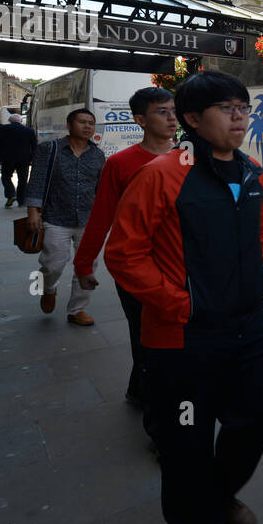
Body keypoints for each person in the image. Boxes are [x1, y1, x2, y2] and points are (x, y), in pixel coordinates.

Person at [104, 69, 263, 524]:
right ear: (191, 120)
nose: (240, 117)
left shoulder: (252, 171)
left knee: (259, 414)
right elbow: (124, 252)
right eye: (227, 109)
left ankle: (219, 494)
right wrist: (178, 302)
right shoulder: (162, 174)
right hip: (183, 338)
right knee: (185, 441)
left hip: (251, 327)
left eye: (243, 108)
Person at [72, 87, 178, 413]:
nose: (172, 117)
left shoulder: (191, 157)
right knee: (144, 339)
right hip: (137, 270)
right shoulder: (120, 163)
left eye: (174, 110)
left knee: (173, 344)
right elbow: (101, 217)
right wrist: (84, 265)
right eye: (162, 111)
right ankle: (154, 412)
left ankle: (140, 390)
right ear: (140, 120)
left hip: (180, 268)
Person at [25, 109, 106, 326]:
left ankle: (77, 310)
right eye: (82, 122)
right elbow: (37, 181)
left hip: (88, 220)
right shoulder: (49, 149)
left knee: (86, 267)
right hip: (55, 217)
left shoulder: (98, 155)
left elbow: (100, 189)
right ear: (69, 125)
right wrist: (32, 211)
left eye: (91, 123)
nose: (88, 126)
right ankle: (48, 289)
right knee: (52, 265)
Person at [0, 112, 38, 208]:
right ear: (21, 121)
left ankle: (11, 194)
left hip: (8, 158)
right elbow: (34, 146)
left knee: (6, 177)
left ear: (9, 121)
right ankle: (21, 201)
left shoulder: (3, 129)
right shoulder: (29, 130)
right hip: (24, 159)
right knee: (23, 179)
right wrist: (33, 158)